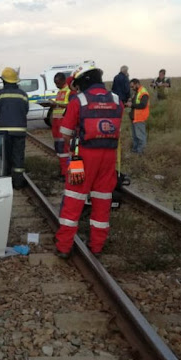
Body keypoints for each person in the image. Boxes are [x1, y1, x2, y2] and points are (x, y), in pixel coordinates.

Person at [55, 63, 124, 258]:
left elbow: (66, 133)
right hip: (109, 157)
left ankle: (63, 247)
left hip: (84, 157)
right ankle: (97, 246)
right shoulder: (117, 100)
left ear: (84, 80)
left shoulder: (79, 101)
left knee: (74, 200)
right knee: (102, 201)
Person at [51, 73, 75, 178]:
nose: (56, 85)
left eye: (58, 83)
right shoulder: (60, 91)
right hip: (57, 121)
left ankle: (66, 172)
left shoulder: (69, 91)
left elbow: (70, 106)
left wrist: (56, 104)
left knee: (64, 148)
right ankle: (62, 170)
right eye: (55, 83)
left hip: (63, 121)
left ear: (63, 80)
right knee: (59, 148)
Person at [126, 78, 149, 154]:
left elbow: (143, 105)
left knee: (140, 137)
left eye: (132, 86)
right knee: (135, 137)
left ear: (137, 84)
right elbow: (134, 102)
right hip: (134, 118)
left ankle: (141, 153)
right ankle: (135, 151)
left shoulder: (143, 93)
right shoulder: (136, 92)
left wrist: (132, 104)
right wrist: (130, 101)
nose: (131, 88)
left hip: (139, 118)